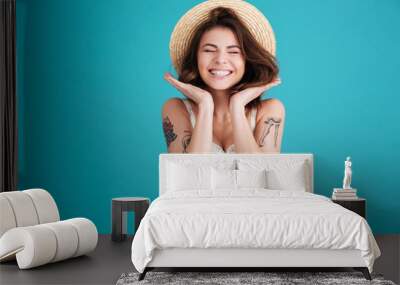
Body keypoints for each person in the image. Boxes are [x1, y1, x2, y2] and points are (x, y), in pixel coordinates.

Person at [162, 0, 285, 153]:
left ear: (248, 60)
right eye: (209, 50)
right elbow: (187, 173)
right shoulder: (175, 108)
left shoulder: (270, 110)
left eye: (233, 51)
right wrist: (205, 104)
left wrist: (237, 106)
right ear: (196, 58)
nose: (220, 59)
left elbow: (260, 175)